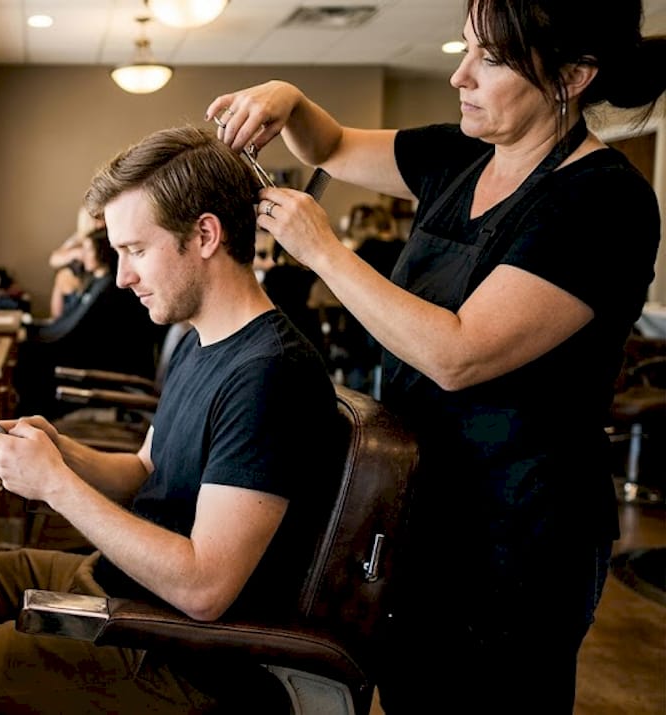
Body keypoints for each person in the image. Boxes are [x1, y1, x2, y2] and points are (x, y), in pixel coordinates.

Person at [206, 1, 664, 712]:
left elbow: (458, 354)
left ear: (573, 77)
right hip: (421, 508)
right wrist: (287, 99)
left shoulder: (601, 201)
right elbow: (330, 145)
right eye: (466, 48)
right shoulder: (458, 155)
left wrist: (324, 251)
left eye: (491, 59)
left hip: (519, 536)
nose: (460, 75)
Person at [0, 125, 339, 713]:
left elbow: (205, 588)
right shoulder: (200, 339)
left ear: (206, 235)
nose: (122, 276)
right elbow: (146, 470)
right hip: (120, 589)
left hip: (175, 656)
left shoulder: (270, 375)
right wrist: (61, 451)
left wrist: (54, 484)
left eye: (136, 251)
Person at [12, 226, 163, 418]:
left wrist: (30, 336)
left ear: (102, 251)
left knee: (29, 360)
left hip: (99, 364)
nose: (83, 255)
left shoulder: (110, 289)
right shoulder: (96, 282)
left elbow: (75, 334)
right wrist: (31, 331)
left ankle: (29, 419)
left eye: (88, 249)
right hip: (85, 353)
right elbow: (67, 323)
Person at [48, 206, 107, 318]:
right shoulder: (79, 238)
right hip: (79, 279)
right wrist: (75, 253)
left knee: (64, 277)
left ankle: (62, 322)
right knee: (62, 275)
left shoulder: (103, 236)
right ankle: (57, 321)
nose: (98, 223)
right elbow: (53, 260)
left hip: (91, 282)